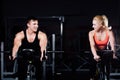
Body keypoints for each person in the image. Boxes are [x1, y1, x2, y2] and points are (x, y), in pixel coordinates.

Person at [88, 15, 117, 80]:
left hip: (105, 52)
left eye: (94, 25)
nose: (92, 26)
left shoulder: (109, 32)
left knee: (109, 55)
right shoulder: (91, 33)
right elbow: (92, 46)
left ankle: (107, 76)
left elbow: (113, 46)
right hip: (95, 51)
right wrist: (95, 55)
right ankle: (92, 77)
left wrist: (114, 55)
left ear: (100, 24)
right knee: (92, 58)